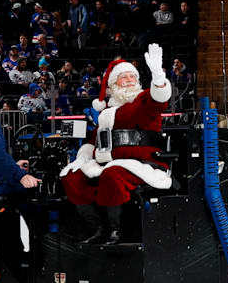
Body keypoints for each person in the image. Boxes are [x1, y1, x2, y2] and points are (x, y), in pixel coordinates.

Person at [60, 44, 172, 245]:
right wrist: (84, 156)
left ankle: (116, 230)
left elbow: (160, 100)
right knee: (72, 176)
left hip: (142, 162)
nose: (129, 80)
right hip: (107, 162)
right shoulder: (106, 114)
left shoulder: (144, 99)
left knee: (113, 175)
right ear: (114, 85)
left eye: (133, 76)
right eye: (124, 77)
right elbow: (93, 141)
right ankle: (96, 228)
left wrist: (158, 76)